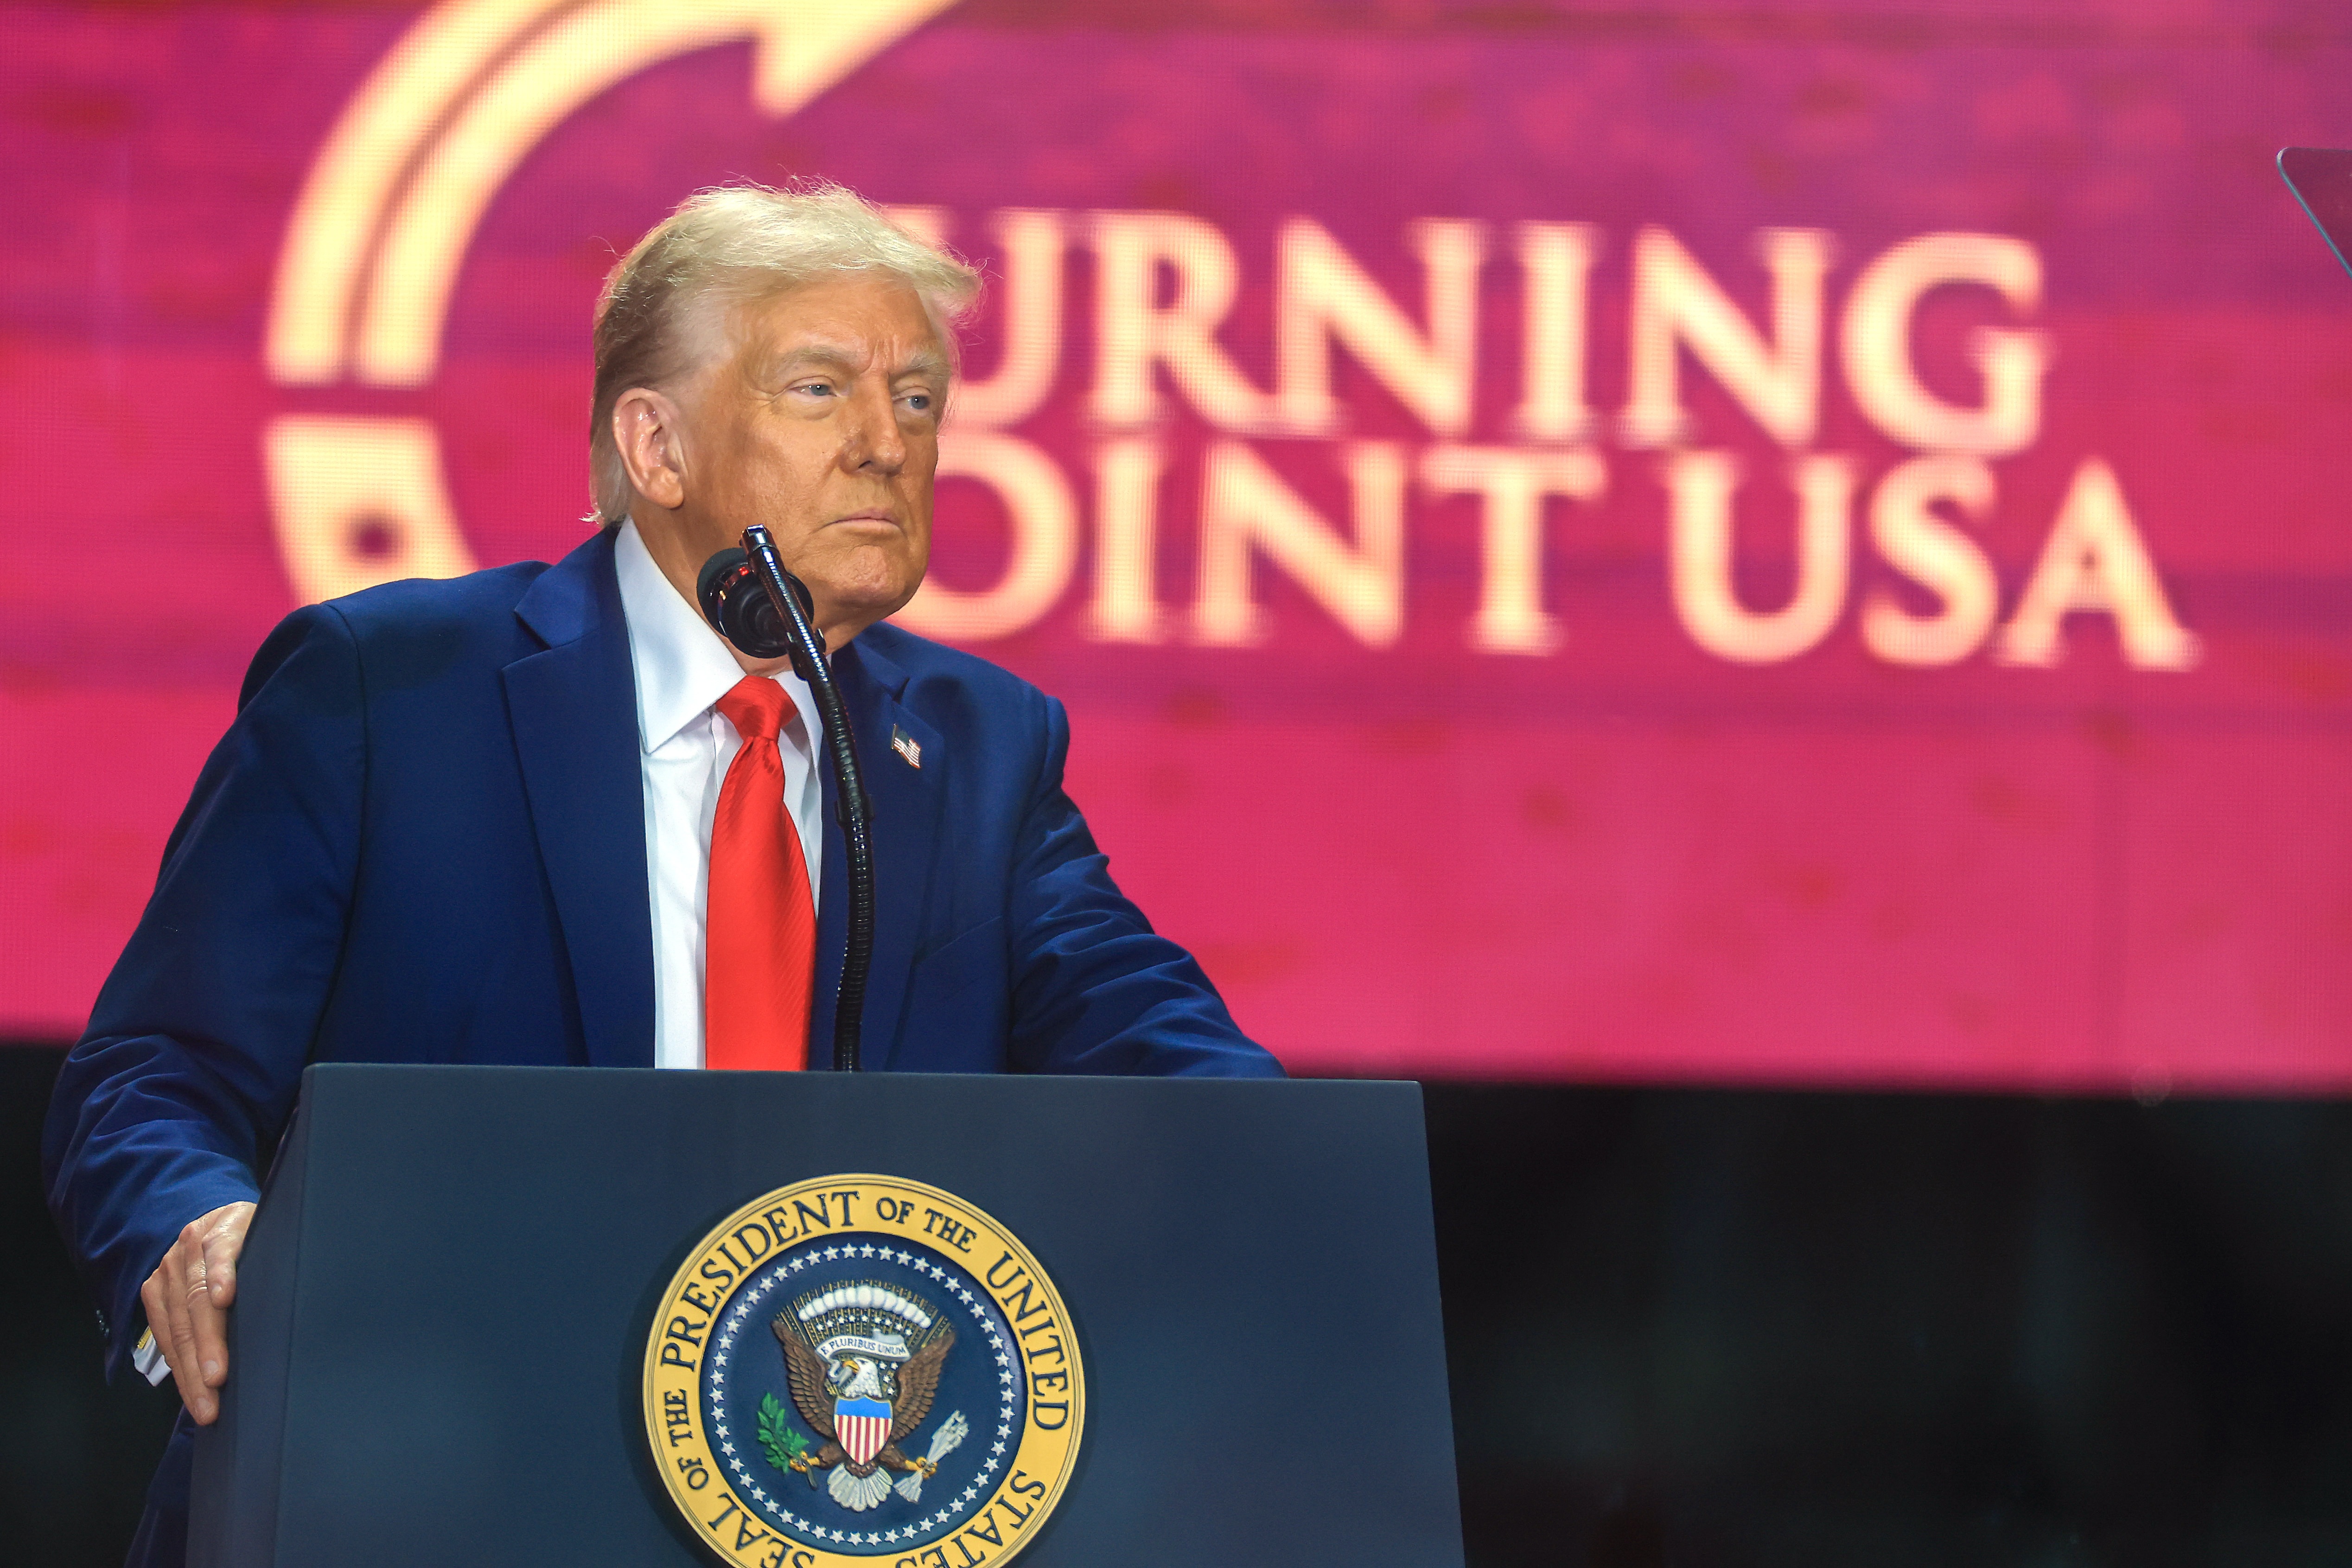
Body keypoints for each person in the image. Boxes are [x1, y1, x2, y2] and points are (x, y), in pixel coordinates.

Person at [43, 182, 1280, 1566]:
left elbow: (1161, 1051)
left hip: (811, 1499)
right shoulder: (385, 694)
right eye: (820, 391)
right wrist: (195, 1224)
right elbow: (153, 1072)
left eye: (919, 401)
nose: (887, 446)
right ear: (657, 444)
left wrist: (1296, 1179)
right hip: (414, 1475)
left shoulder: (978, 744)